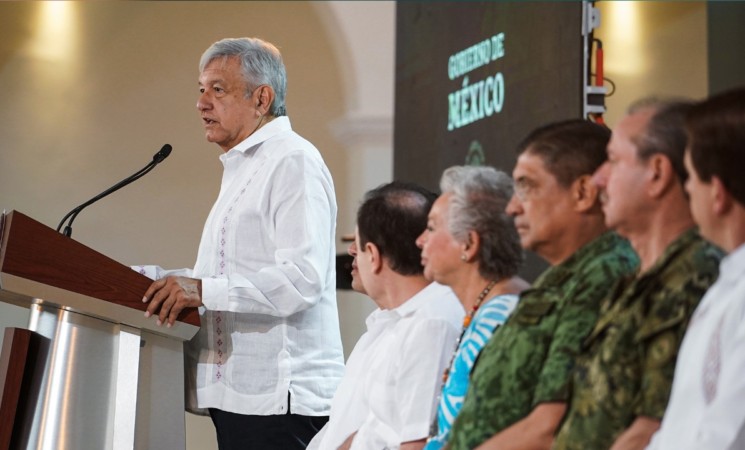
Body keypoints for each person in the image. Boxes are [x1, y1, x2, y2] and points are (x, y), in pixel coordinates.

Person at [136, 37, 344, 449]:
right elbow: (227, 277)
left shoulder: (292, 161)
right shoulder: (244, 167)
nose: (201, 104)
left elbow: (302, 279)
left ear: (262, 98)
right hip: (241, 396)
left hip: (281, 401)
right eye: (201, 90)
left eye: (218, 89)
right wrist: (157, 280)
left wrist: (200, 290)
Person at [447, 119, 639, 450]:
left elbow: (551, 425)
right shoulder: (559, 278)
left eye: (528, 187)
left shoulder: (604, 273)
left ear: (582, 192)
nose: (513, 207)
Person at [553, 99, 722, 450]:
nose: (598, 179)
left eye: (613, 160)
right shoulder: (636, 280)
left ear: (657, 173)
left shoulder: (694, 274)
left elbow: (653, 426)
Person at [308, 181, 464, 450]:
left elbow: (417, 442)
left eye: (358, 242)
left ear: (373, 255)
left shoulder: (432, 325)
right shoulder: (385, 324)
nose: (352, 252)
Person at [646, 87, 745, 450]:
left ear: (717, 193)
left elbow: (728, 434)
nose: (687, 190)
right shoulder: (726, 284)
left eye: (688, 178)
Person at [415, 165, 529, 450]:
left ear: (469, 243)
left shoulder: (501, 320)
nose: (420, 240)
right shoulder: (485, 313)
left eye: (431, 228)